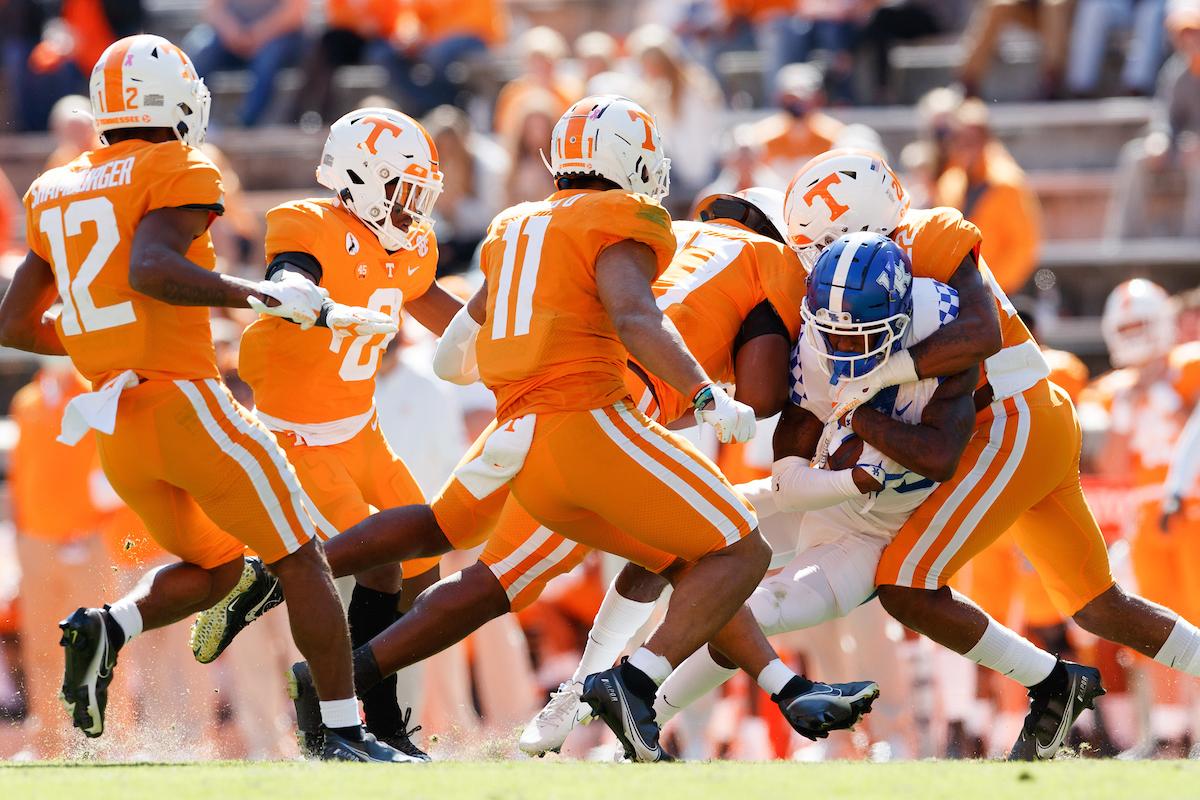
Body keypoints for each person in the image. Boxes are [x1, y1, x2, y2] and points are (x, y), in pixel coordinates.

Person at [199, 179, 877, 759]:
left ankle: (293, 600)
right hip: (603, 411)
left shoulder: (632, 234)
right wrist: (727, 391)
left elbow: (459, 350)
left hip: (529, 402)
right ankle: (626, 687)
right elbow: (758, 394)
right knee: (719, 551)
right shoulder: (765, 261)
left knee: (465, 546)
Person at [0, 34, 409, 763]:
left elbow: (15, 324)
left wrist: (107, 337)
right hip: (189, 407)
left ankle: (109, 626)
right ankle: (343, 734)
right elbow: (151, 268)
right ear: (173, 102)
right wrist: (258, 294)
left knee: (221, 569)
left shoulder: (56, 186)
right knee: (302, 557)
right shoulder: (176, 164)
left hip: (118, 427)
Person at [787, 146, 1200, 760]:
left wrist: (882, 378)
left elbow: (979, 333)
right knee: (1098, 606)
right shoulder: (889, 262)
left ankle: (1054, 685)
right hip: (1026, 422)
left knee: (904, 583)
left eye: (822, 245)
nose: (820, 265)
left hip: (1010, 420)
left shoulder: (930, 236)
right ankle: (1059, 684)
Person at [647, 231, 979, 731]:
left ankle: (647, 710)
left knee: (761, 611)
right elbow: (786, 485)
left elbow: (939, 455)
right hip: (822, 494)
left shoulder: (942, 326)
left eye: (857, 336)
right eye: (830, 333)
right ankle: (616, 692)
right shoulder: (814, 351)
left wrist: (861, 412)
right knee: (666, 531)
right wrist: (853, 476)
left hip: (870, 535)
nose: (840, 348)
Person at [229, 107, 463, 758]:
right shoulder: (312, 225)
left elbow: (442, 310)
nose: (412, 207)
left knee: (423, 559)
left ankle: (361, 699)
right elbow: (290, 269)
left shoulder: (407, 246)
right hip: (301, 437)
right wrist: (296, 290)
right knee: (384, 564)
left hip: (362, 430)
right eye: (402, 189)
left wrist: (505, 336)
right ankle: (365, 719)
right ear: (362, 177)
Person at [1090, 280, 1200, 755]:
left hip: (1192, 507)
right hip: (1148, 516)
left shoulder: (1189, 365)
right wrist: (1128, 407)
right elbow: (1114, 468)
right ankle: (1171, 732)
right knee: (1161, 627)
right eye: (1126, 326)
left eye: (1141, 323)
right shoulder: (1116, 391)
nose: (1134, 334)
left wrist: (1165, 394)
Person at [10, 356, 111, 758]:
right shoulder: (26, 400)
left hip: (85, 540)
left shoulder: (93, 397)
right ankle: (49, 741)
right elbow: (21, 472)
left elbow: (107, 468)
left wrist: (90, 525)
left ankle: (104, 740)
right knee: (40, 647)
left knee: (94, 646)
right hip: (35, 541)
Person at [1106, 5, 1200, 238]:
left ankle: (1193, 243)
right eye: (1182, 33)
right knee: (1134, 155)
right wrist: (1159, 138)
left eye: (1194, 32)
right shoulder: (1176, 69)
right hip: (1183, 147)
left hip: (1196, 151)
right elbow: (1165, 113)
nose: (1188, 39)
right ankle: (1124, 242)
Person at [935, 99, 1043, 295]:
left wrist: (989, 286)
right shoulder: (949, 182)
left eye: (971, 139)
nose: (964, 146)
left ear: (986, 139)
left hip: (1001, 295)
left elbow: (1024, 247)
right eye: (958, 139)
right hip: (959, 292)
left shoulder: (1008, 184)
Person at [188, 0, 307, 126]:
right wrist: (233, 33)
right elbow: (212, 8)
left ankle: (247, 124)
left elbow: (295, 13)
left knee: (266, 62)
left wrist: (257, 35)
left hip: (276, 36)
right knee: (201, 53)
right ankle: (193, 118)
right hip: (230, 36)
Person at [751, 63, 844, 184]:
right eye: (789, 97)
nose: (796, 104)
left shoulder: (837, 138)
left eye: (803, 97)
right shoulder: (760, 138)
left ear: (818, 99)